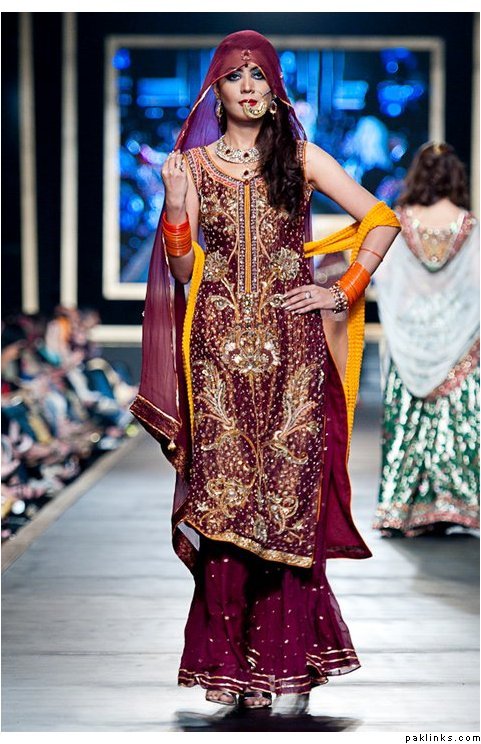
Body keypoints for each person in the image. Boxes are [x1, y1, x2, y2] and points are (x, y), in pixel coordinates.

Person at [130, 30, 400, 711]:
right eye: (234, 76)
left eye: (258, 75)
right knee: (224, 505)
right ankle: (233, 671)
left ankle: (286, 667)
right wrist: (174, 205)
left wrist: (341, 289)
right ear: (215, 90)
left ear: (274, 88)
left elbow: (381, 219)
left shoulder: (301, 157)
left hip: (293, 356)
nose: (247, 86)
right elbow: (183, 272)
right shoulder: (190, 166)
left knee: (286, 504)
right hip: (216, 354)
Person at [372, 142, 479, 537]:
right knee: (454, 424)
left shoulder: (401, 222)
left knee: (408, 424)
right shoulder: (468, 225)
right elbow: (475, 284)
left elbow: (386, 277)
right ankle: (452, 504)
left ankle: (402, 508)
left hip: (409, 338)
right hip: (457, 337)